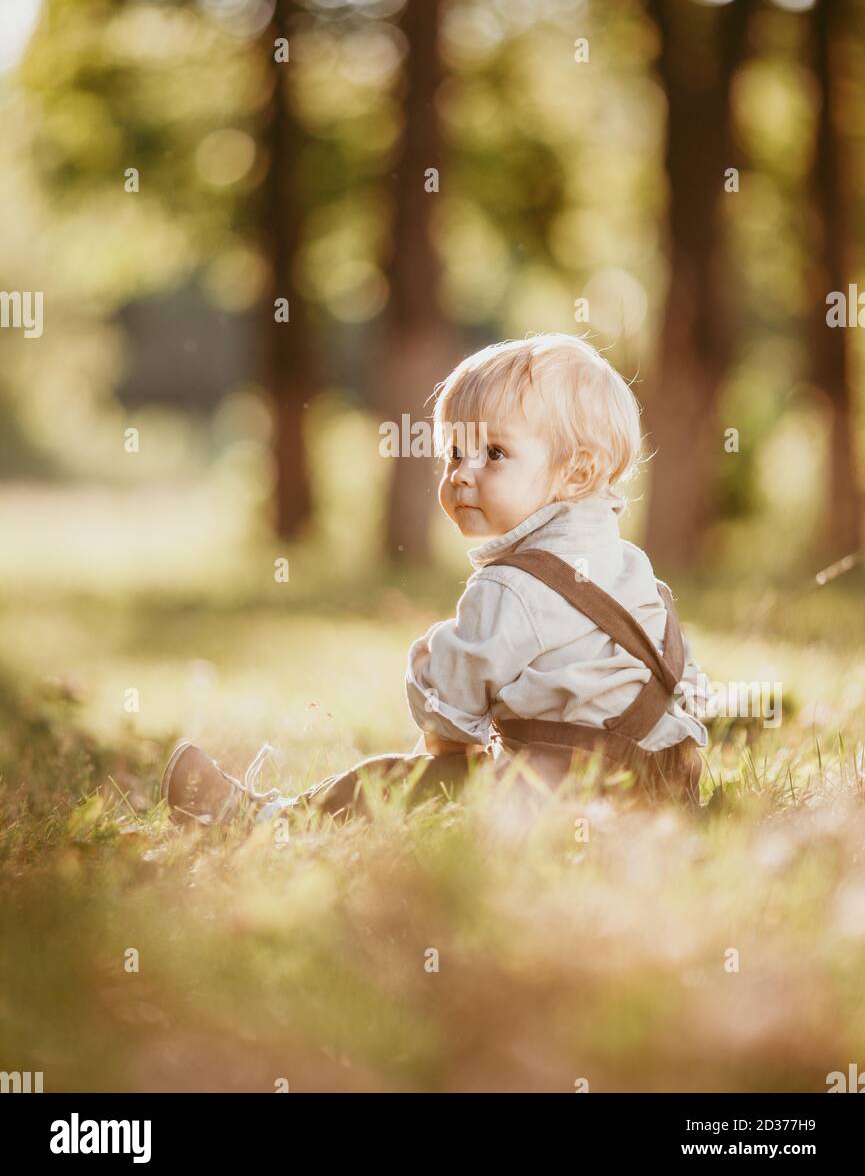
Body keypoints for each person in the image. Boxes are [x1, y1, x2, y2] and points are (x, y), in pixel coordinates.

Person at [161, 333, 711, 832]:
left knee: (392, 782)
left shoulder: (511, 588)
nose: (461, 473)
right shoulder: (630, 565)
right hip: (661, 795)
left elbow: (450, 714)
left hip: (555, 799)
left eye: (494, 453)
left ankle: (269, 825)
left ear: (579, 472)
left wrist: (441, 769)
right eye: (454, 451)